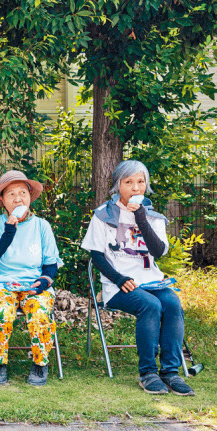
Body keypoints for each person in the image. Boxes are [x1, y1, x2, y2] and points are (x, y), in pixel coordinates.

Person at [81, 160, 194, 396]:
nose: (135, 188)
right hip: (117, 285)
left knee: (172, 304)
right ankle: (148, 373)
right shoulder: (102, 215)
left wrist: (141, 218)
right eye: (128, 182)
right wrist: (119, 279)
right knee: (150, 305)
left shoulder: (153, 217)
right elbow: (96, 256)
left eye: (140, 182)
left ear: (146, 185)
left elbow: (158, 252)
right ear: (117, 186)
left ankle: (170, 373)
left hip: (152, 281)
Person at [0, 170, 62, 386]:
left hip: (33, 284)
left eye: (23, 193)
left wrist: (44, 282)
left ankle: (40, 365)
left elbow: (51, 263)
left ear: (30, 196)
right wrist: (9, 231)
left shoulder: (42, 226)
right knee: (2, 311)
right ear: (2, 201)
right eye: (11, 194)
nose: (18, 199)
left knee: (40, 312)